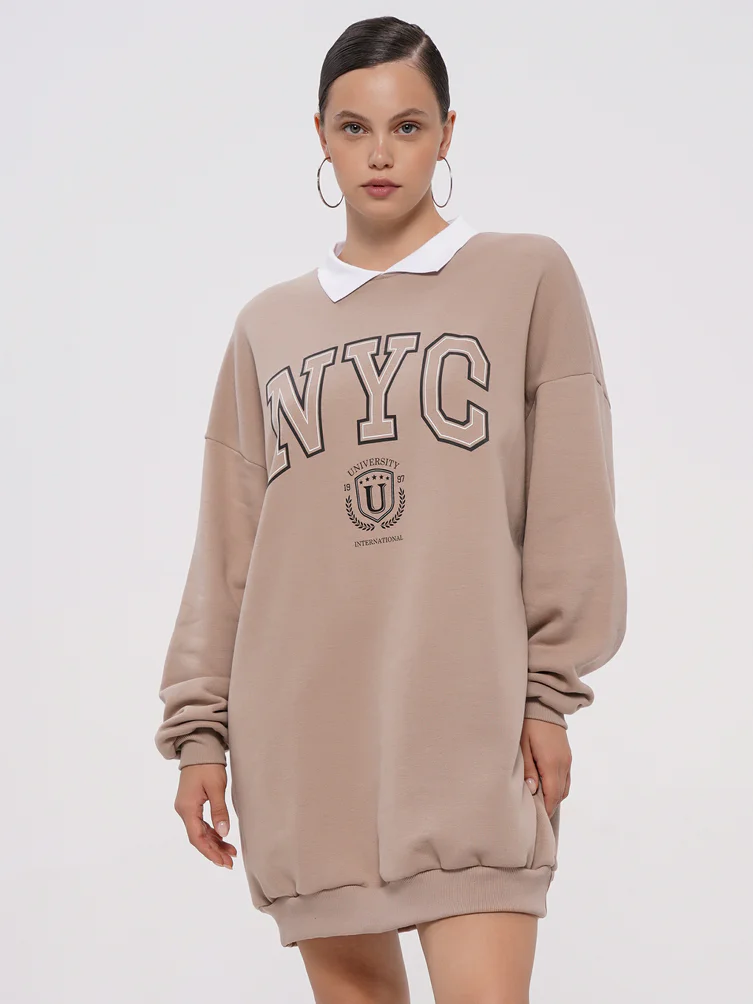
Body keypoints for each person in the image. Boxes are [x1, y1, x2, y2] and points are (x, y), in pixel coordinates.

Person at [154, 14, 627, 1003]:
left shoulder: (525, 277)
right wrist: (200, 733)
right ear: (321, 136)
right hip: (304, 740)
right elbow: (228, 547)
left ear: (448, 132)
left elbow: (572, 505)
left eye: (407, 127)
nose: (380, 154)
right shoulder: (267, 326)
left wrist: (547, 696)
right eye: (355, 128)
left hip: (469, 728)